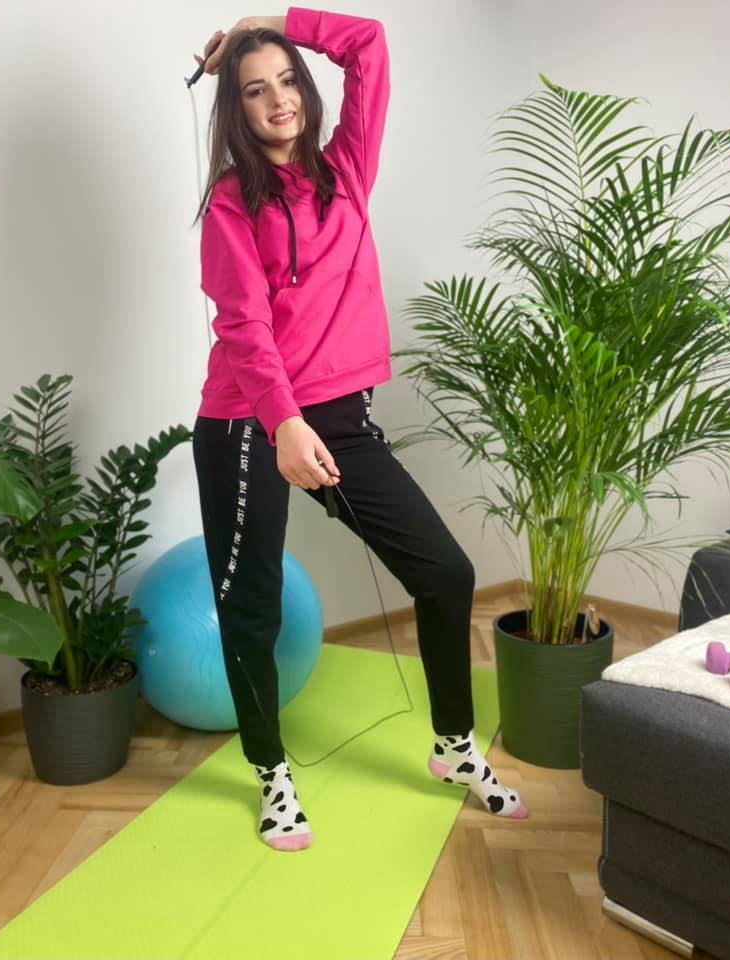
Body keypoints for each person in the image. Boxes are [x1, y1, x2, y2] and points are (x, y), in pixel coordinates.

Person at [191, 7, 529, 853]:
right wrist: (283, 423)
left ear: (306, 89)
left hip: (339, 415)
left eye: (286, 81)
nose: (278, 100)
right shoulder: (232, 202)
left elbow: (368, 44)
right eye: (254, 90)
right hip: (248, 420)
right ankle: (271, 772)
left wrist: (269, 21)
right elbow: (243, 325)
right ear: (237, 109)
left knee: (445, 573)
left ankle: (453, 745)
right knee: (253, 605)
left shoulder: (345, 167)